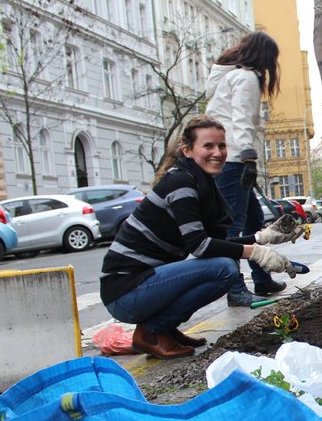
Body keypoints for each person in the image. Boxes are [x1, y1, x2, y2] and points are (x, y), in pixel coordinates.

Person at [100, 117, 301, 359]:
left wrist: (264, 236)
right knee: (224, 270)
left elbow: (212, 243)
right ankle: (152, 332)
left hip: (141, 284)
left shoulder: (198, 180)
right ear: (187, 150)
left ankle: (166, 328)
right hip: (125, 292)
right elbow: (201, 246)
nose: (218, 153)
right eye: (208, 146)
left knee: (223, 264)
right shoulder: (181, 183)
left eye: (222, 146)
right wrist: (255, 253)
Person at [204, 31, 286, 306]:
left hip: (229, 159)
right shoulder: (246, 78)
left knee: (252, 221)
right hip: (234, 160)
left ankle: (262, 279)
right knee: (233, 228)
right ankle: (235, 288)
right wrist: (249, 158)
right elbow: (240, 120)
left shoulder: (229, 76)